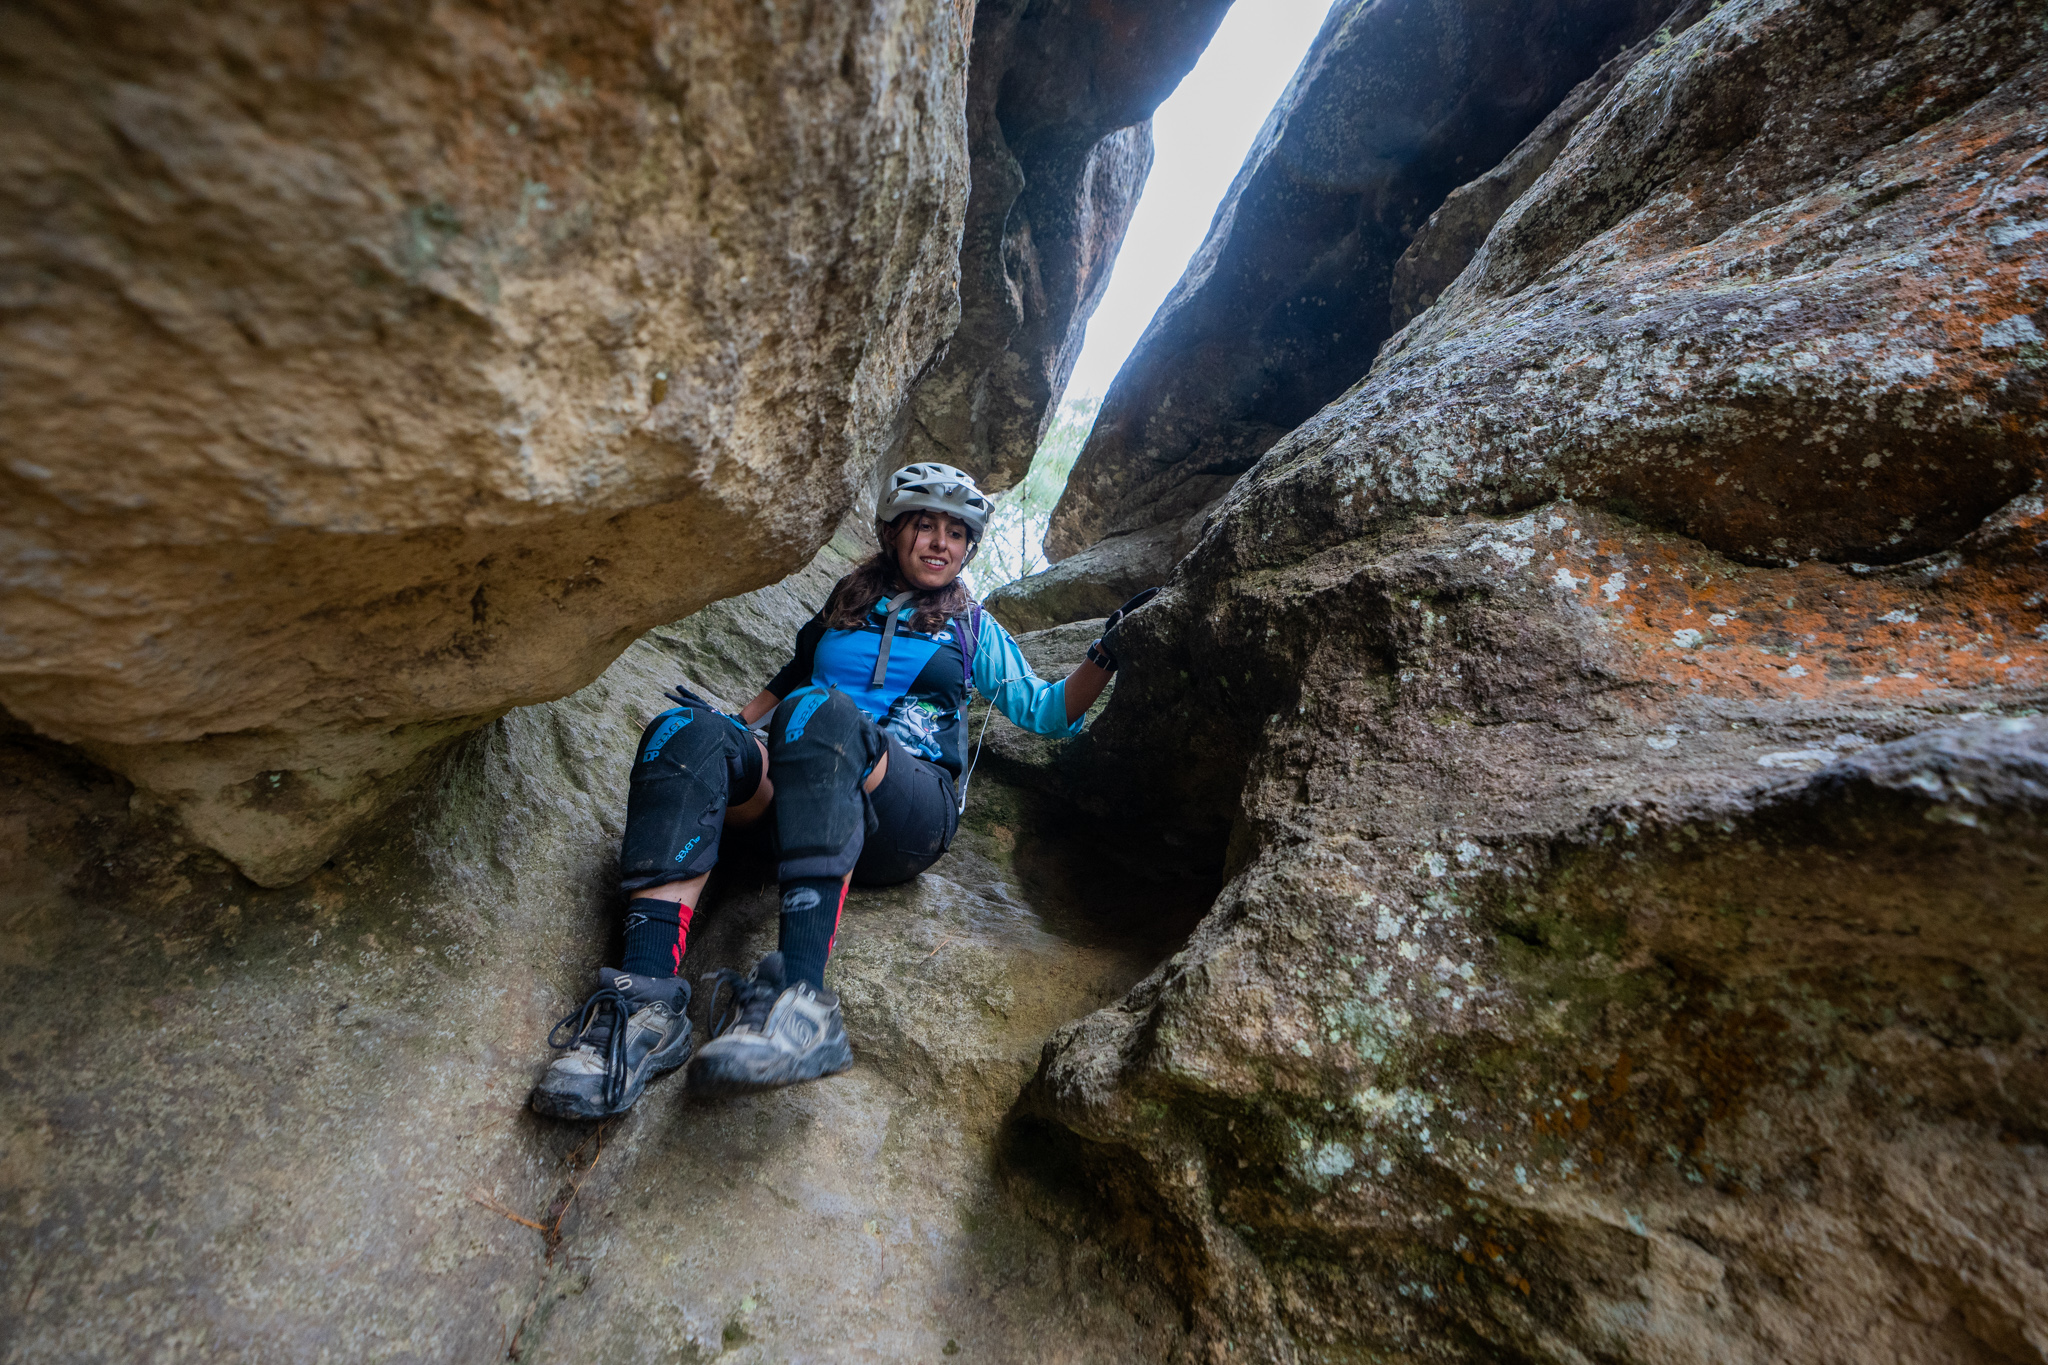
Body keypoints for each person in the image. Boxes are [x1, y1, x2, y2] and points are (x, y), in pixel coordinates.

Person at [530, 462, 1158, 1118]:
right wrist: (729, 733)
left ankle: (800, 1006)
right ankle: (640, 1013)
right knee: (683, 733)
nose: (940, 542)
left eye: (956, 531)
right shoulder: (848, 601)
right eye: (924, 524)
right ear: (894, 532)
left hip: (906, 811)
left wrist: (1107, 651)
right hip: (799, 785)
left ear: (969, 546)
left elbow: (1049, 710)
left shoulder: (974, 629)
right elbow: (793, 673)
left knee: (822, 715)